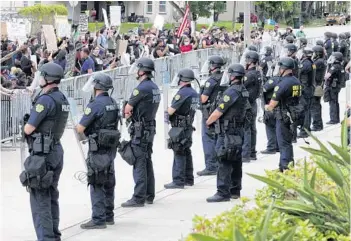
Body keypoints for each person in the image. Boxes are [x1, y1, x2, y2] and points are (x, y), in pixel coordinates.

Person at [22, 62, 69, 241]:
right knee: (51, 195)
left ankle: (46, 238)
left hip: (43, 155)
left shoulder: (45, 100)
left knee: (40, 198)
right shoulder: (61, 98)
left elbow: (29, 128)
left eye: (41, 75)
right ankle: (53, 234)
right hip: (56, 150)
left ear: (47, 78)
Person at [77, 73, 120, 229]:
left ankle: (98, 219)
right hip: (110, 148)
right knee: (109, 180)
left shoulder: (95, 104)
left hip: (97, 148)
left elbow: (80, 128)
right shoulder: (113, 102)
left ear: (97, 86)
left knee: (96, 181)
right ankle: (109, 215)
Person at [205, 63, 250, 202]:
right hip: (238, 130)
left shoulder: (231, 92)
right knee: (236, 159)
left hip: (227, 131)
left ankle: (222, 192)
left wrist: (208, 122)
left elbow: (219, 111)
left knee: (224, 159)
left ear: (232, 76)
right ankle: (235, 190)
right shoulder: (243, 90)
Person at [122, 57, 160, 207]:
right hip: (149, 128)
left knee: (139, 162)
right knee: (146, 160)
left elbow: (127, 109)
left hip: (140, 129)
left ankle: (138, 197)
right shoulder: (154, 87)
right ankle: (149, 195)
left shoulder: (141, 88)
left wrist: (127, 112)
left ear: (142, 71)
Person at [264, 57, 302, 171]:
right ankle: (285, 165)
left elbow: (272, 104)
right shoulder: (296, 81)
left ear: (283, 69)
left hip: (283, 116)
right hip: (293, 114)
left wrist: (267, 107)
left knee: (283, 144)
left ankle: (286, 168)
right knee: (288, 142)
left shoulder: (282, 84)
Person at [164, 68, 199, 189]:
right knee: (186, 151)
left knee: (178, 151)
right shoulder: (194, 92)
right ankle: (189, 178)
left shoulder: (182, 93)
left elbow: (171, 110)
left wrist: (167, 112)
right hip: (188, 126)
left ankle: (178, 180)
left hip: (179, 126)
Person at [198, 56, 226, 176]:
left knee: (208, 139)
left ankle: (210, 166)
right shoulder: (224, 78)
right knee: (218, 138)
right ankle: (218, 163)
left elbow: (203, 99)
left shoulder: (211, 81)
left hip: (209, 113)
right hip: (220, 112)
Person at [242, 51, 261, 162]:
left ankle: (246, 154)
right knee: (252, 129)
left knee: (246, 129)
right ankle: (252, 152)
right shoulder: (257, 73)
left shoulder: (249, 75)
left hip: (248, 104)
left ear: (250, 61)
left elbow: (241, 85)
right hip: (253, 103)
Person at [297, 48, 314, 138]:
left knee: (305, 110)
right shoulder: (310, 62)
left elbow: (300, 72)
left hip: (305, 89)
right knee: (307, 109)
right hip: (309, 88)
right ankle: (308, 128)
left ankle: (304, 130)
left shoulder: (306, 63)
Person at [324, 52, 344, 125]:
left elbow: (327, 76)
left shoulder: (334, 66)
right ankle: (336, 119)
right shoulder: (340, 65)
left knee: (332, 103)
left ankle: (333, 119)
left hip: (333, 87)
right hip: (336, 86)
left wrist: (329, 66)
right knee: (335, 102)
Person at [261, 77, 280, 154]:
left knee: (270, 126)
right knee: (277, 127)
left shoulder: (273, 79)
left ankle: (271, 147)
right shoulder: (284, 80)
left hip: (271, 105)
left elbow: (264, 89)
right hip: (279, 106)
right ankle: (278, 146)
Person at [311, 45, 327, 132]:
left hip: (316, 85)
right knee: (316, 105)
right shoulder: (321, 61)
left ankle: (317, 125)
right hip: (319, 84)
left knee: (315, 106)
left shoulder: (318, 62)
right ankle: (318, 123)